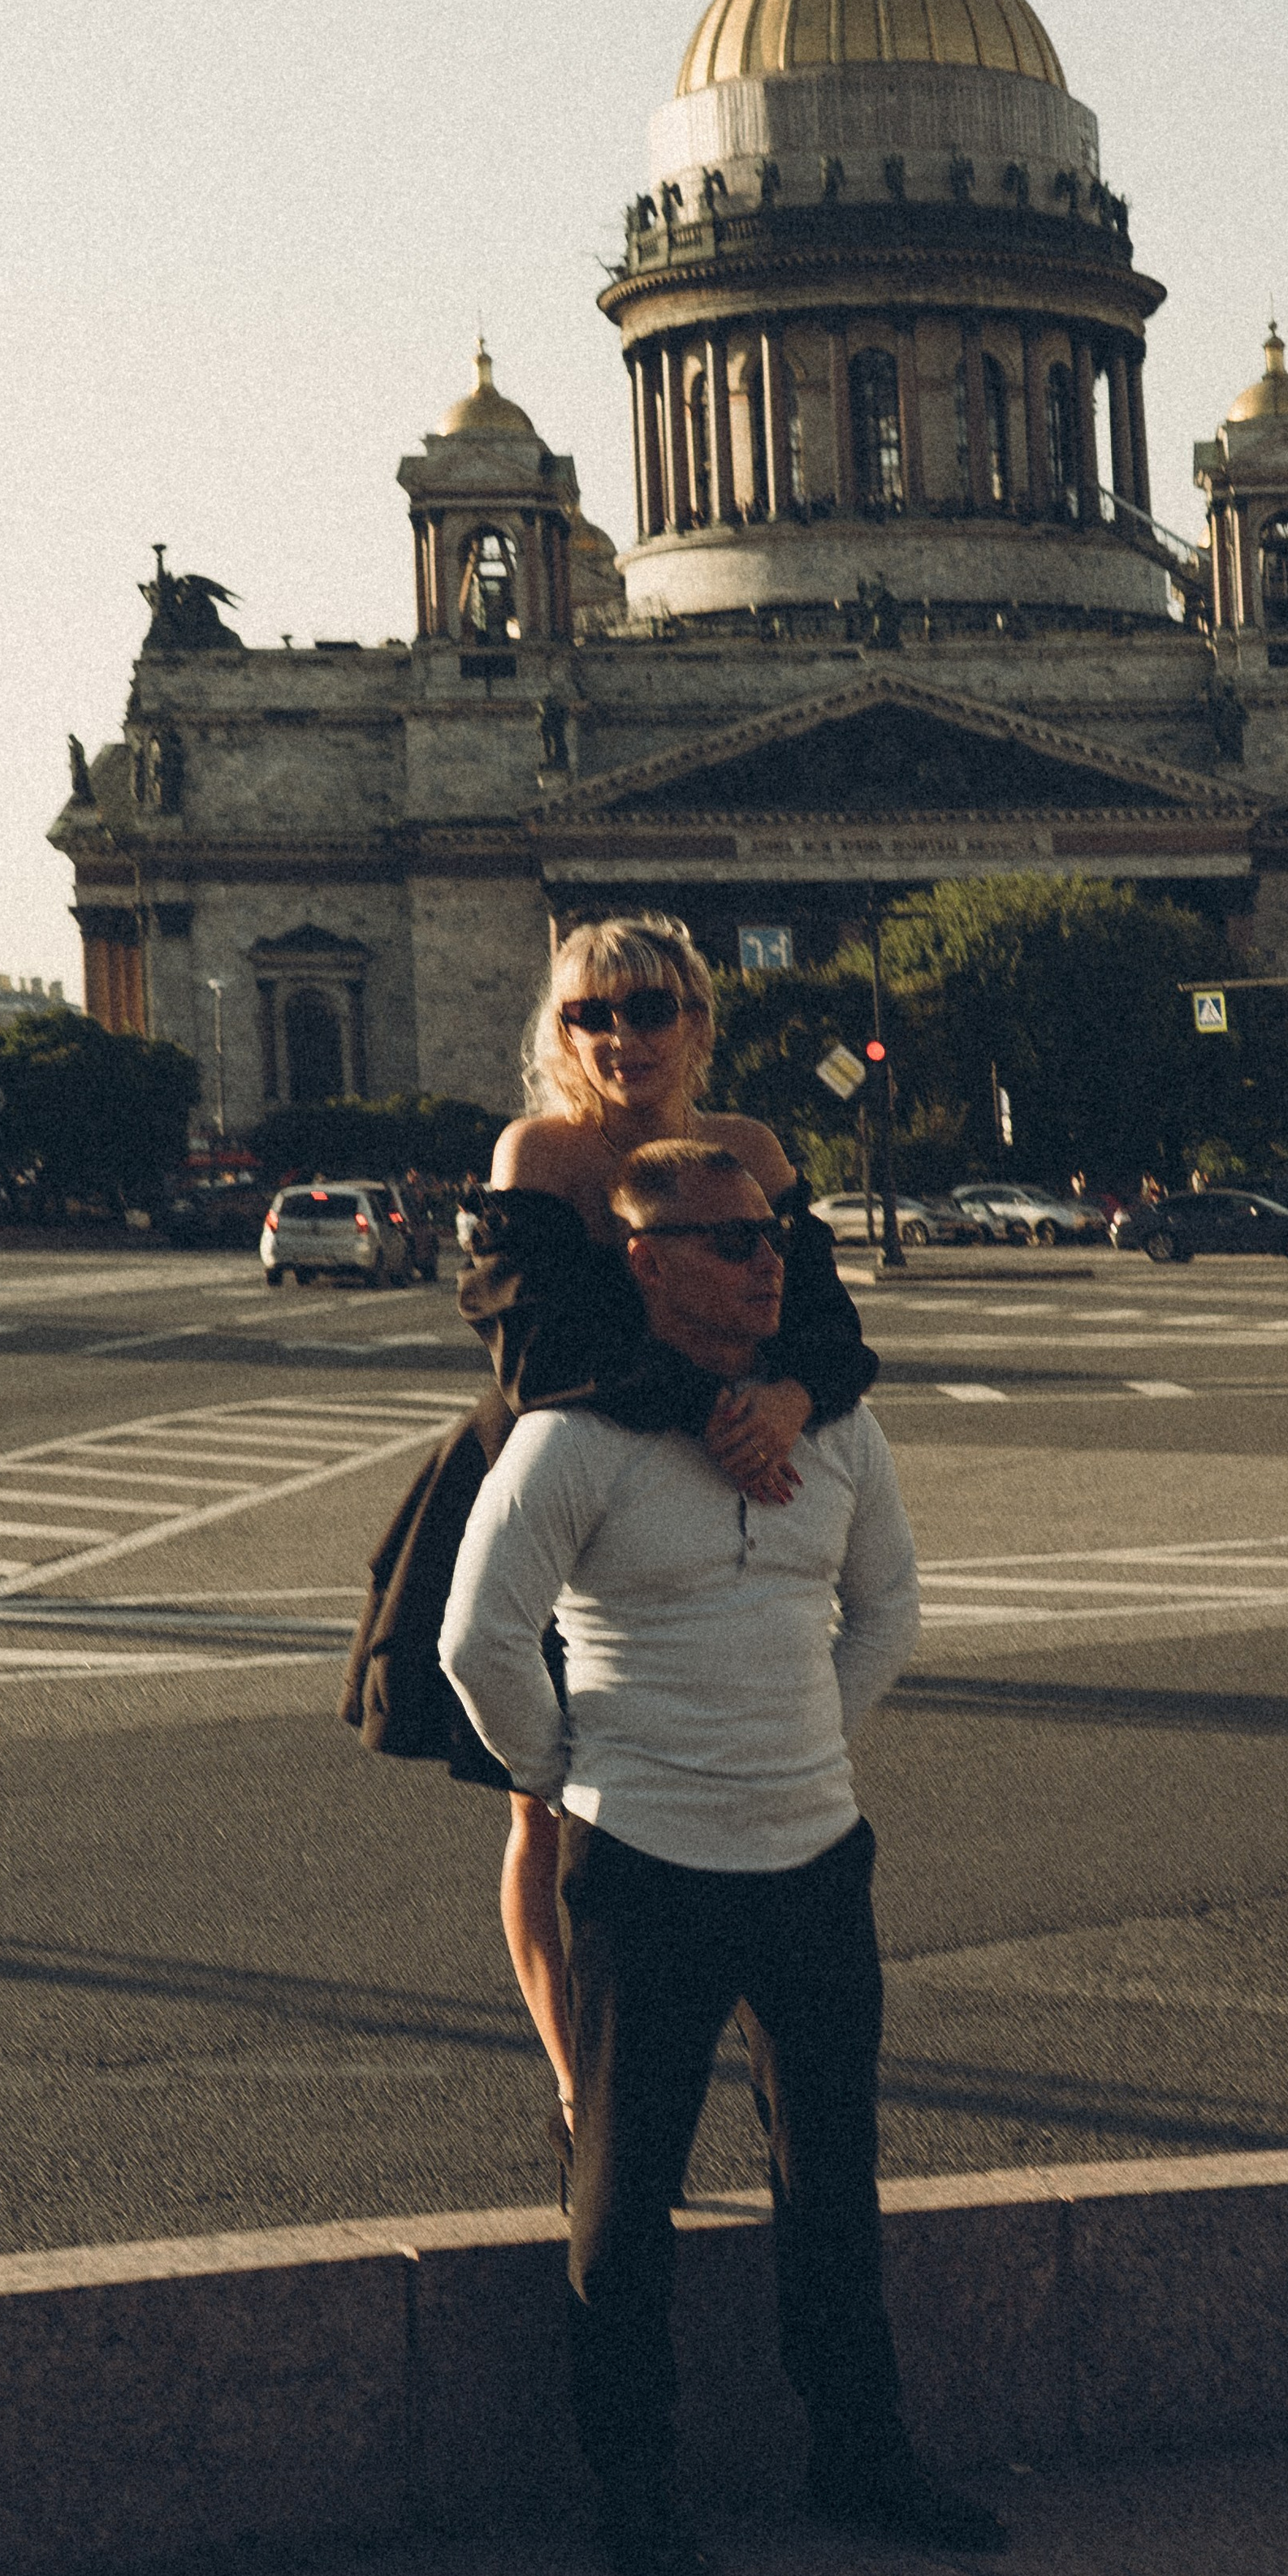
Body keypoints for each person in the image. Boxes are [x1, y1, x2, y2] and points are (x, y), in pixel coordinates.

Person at [441, 1141, 1005, 2576]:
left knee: (836, 2179)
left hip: (818, 1852)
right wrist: (569, 1776)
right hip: (649, 1861)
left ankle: (861, 2455)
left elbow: (888, 1612)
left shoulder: (838, 1430)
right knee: (628, 2192)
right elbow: (477, 1638)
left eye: (772, 1238)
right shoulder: (575, 1438)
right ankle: (636, 2483)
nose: (769, 1264)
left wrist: (806, 1739)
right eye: (727, 1243)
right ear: (641, 1262)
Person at [340, 917, 876, 2184]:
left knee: (743, 1792)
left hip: (742, 1464)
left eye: (647, 1007)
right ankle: (590, 2090)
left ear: (697, 1017)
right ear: (559, 1030)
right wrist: (720, 1413)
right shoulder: (539, 1151)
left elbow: (832, 1326)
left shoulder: (750, 1153)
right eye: (592, 1014)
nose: (621, 1036)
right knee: (552, 1808)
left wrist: (791, 1398)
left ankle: (772, 2076)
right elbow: (537, 1353)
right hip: (552, 1481)